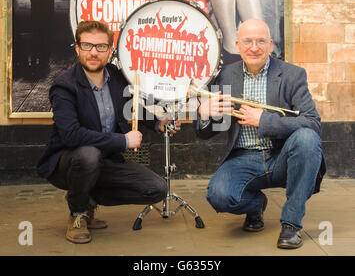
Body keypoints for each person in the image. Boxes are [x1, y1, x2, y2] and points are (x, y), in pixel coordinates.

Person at [37, 21, 179, 244]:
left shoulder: (115, 76)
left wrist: (157, 122)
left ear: (110, 51)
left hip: (105, 161)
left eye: (101, 47)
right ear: (77, 48)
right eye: (87, 46)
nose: (93, 52)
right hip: (68, 163)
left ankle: (86, 198)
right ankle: (78, 214)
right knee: (88, 155)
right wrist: (123, 140)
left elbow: (130, 106)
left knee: (157, 189)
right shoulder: (64, 86)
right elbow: (71, 135)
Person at [194, 18, 326, 249]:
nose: (254, 47)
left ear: (271, 45)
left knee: (307, 138)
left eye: (260, 41)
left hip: (282, 156)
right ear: (237, 45)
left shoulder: (293, 75)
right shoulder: (225, 76)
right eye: (247, 41)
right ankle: (255, 206)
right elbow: (206, 134)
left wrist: (264, 121)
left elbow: (313, 122)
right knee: (218, 196)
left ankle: (291, 224)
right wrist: (204, 114)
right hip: (243, 157)